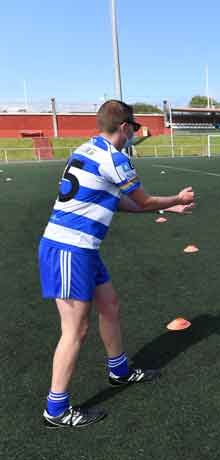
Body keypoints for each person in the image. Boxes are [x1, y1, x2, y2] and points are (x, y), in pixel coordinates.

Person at [39, 100, 195, 428]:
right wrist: (176, 200)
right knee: (74, 330)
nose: (133, 135)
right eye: (133, 129)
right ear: (124, 127)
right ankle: (56, 409)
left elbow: (117, 202)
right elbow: (143, 200)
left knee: (110, 305)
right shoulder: (115, 158)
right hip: (69, 248)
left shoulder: (87, 148)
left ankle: (120, 371)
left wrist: (166, 210)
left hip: (83, 248)